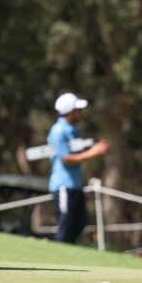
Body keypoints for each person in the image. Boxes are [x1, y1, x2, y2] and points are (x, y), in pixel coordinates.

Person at [47, 92, 109, 244]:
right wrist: (94, 152)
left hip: (75, 184)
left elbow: (78, 152)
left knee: (81, 222)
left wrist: (92, 148)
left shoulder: (73, 130)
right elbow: (66, 159)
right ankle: (58, 253)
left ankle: (68, 250)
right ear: (70, 111)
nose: (80, 113)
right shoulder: (58, 130)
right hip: (63, 185)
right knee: (65, 225)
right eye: (78, 110)